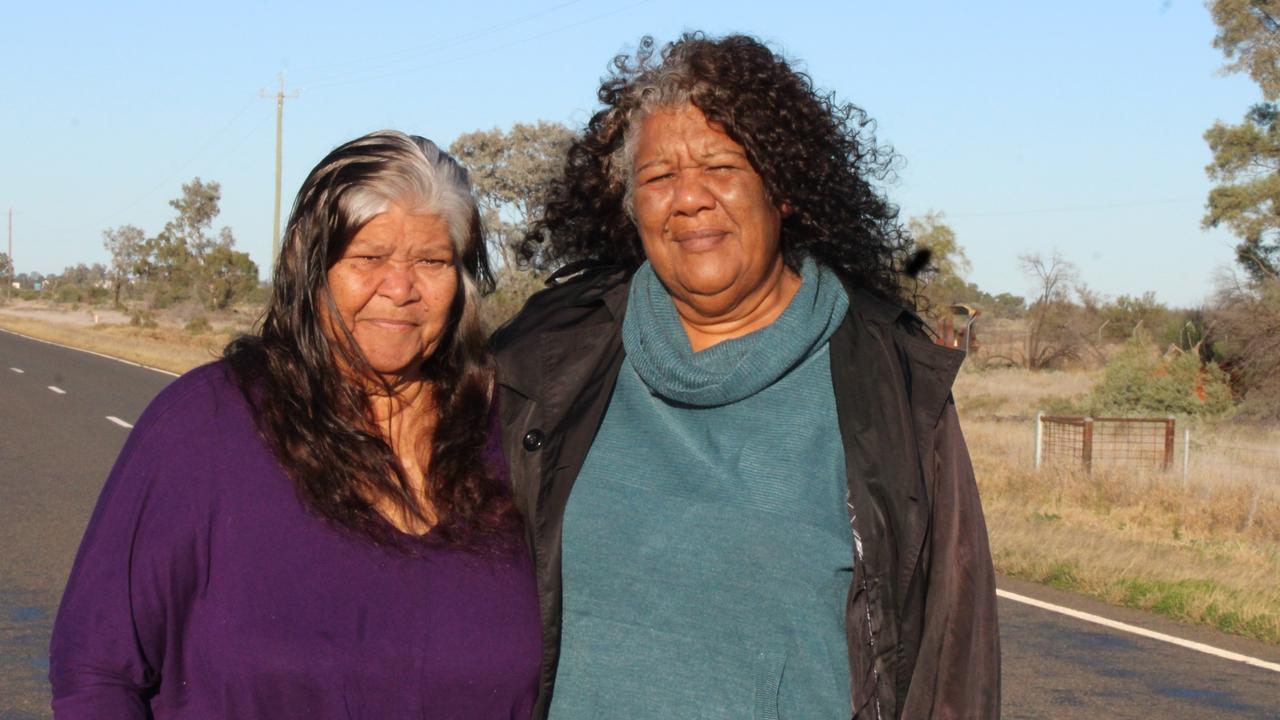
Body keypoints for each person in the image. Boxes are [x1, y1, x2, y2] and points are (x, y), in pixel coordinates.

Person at [492, 34, 1000, 719]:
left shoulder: (894, 385)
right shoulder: (546, 359)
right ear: (629, 204)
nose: (689, 199)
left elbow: (952, 663)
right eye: (658, 177)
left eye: (720, 165)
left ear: (782, 189)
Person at [50, 131, 540, 718]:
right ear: (309, 269)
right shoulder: (206, 425)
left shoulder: (512, 433)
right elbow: (97, 671)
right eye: (369, 257)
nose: (401, 287)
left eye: (431, 261)